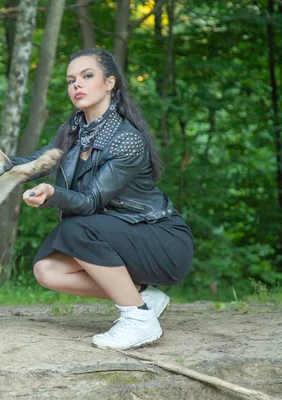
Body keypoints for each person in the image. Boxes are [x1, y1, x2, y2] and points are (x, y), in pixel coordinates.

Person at [11, 48, 193, 350]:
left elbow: (89, 202)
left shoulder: (127, 139)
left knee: (76, 228)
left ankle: (138, 321)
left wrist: (53, 194)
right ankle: (142, 297)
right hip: (118, 235)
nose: (76, 85)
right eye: (70, 80)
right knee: (47, 270)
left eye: (87, 76)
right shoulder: (73, 131)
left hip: (162, 242)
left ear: (110, 83)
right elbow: (34, 164)